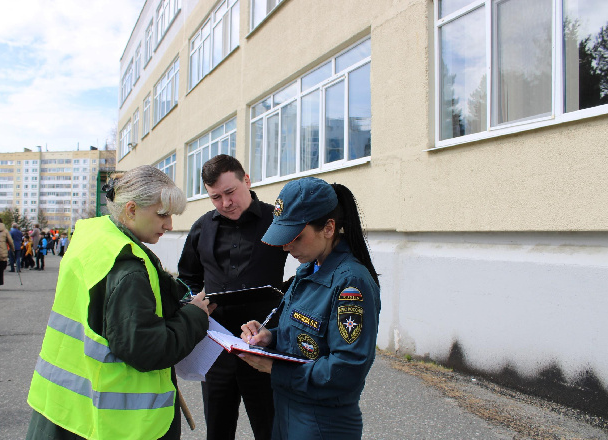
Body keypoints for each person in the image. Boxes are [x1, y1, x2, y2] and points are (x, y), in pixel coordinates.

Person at [25, 165, 215, 440]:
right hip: (113, 424)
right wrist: (195, 316)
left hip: (61, 408)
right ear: (131, 209)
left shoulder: (95, 239)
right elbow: (148, 348)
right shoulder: (129, 269)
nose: (170, 225)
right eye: (162, 214)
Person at [240, 177, 381, 440]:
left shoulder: (351, 283)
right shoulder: (309, 269)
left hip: (322, 422)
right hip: (287, 410)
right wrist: (270, 335)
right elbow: (303, 333)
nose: (285, 246)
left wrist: (274, 368)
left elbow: (346, 369)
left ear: (328, 228)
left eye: (295, 237)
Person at [178, 155, 288, 440]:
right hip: (215, 350)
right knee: (217, 430)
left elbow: (307, 260)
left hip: (264, 345)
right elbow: (187, 277)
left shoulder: (278, 221)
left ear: (247, 181)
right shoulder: (202, 227)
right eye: (215, 197)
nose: (225, 203)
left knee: (270, 430)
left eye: (230, 192)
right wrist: (193, 303)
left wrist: (287, 296)